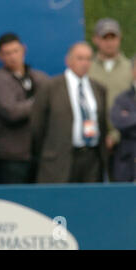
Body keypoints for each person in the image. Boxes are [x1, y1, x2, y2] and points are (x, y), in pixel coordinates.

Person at [31, 42, 108, 183]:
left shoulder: (98, 88)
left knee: (88, 201)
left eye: (88, 59)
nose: (85, 63)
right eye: (80, 58)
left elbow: (102, 124)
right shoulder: (50, 87)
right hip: (59, 158)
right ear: (68, 60)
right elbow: (37, 126)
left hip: (91, 159)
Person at [0, 33, 49, 184]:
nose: (13, 57)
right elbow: (12, 112)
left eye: (16, 51)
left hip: (40, 153)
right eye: (7, 53)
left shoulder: (39, 77)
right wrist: (40, 102)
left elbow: (54, 101)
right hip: (12, 157)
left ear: (23, 50)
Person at [89, 18, 132, 180]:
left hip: (125, 141)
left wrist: (115, 135)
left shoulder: (130, 68)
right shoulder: (88, 67)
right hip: (93, 141)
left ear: (119, 39)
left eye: (112, 37)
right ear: (96, 39)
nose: (109, 42)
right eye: (104, 38)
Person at [110, 56, 136, 182]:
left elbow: (126, 123)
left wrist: (130, 116)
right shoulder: (122, 98)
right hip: (128, 163)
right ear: (132, 70)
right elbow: (118, 121)